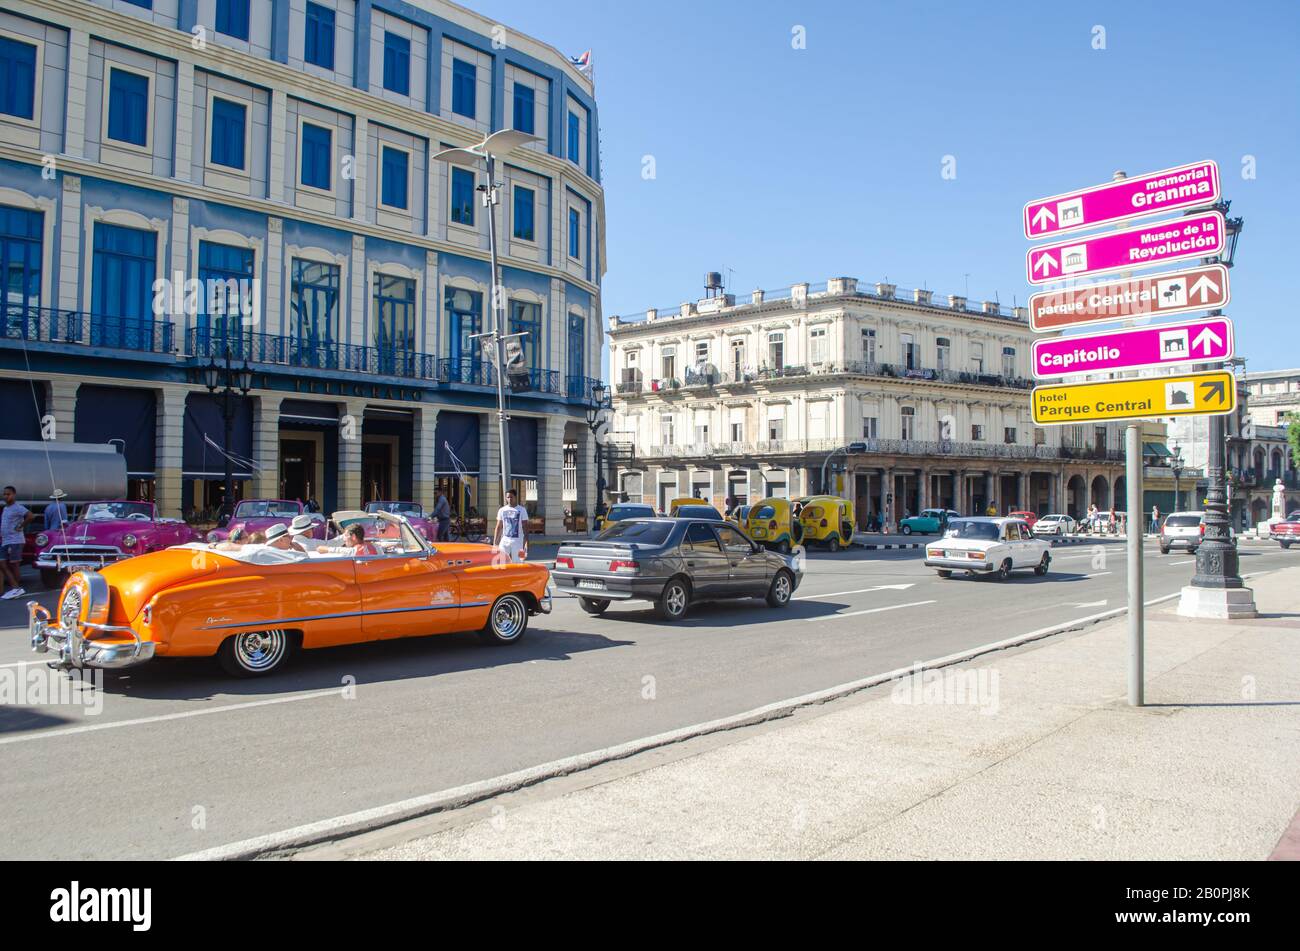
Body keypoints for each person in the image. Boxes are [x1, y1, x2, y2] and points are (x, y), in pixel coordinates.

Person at [1, 486, 34, 600]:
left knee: (14, 564)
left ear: (14, 495)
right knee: (2, 563)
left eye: (8, 494)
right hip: (5, 540)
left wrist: (21, 526)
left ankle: (16, 588)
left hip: (15, 540)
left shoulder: (18, 507)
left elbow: (30, 516)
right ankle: (15, 588)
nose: (6, 496)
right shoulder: (5, 508)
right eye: (4, 494)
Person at [493, 489, 529, 563]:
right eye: (508, 497)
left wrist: (526, 542)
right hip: (505, 540)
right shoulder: (502, 510)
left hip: (517, 541)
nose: (509, 499)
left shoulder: (522, 510)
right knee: (501, 562)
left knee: (517, 563)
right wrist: (495, 543)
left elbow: (525, 527)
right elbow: (498, 526)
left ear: (515, 497)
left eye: (511, 497)